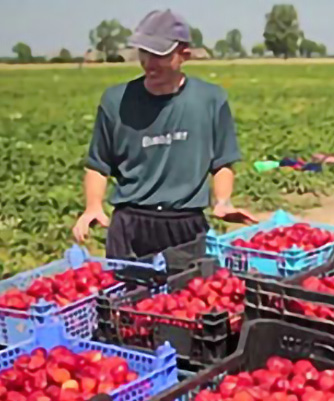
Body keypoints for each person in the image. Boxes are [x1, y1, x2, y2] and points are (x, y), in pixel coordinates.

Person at [72, 9, 256, 259]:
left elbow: (222, 161)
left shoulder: (210, 100)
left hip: (186, 223)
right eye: (144, 52)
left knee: (190, 295)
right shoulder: (116, 101)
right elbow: (98, 164)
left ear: (184, 55)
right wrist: (93, 206)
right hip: (131, 224)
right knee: (127, 294)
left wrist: (222, 200)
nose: (149, 62)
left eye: (159, 54)